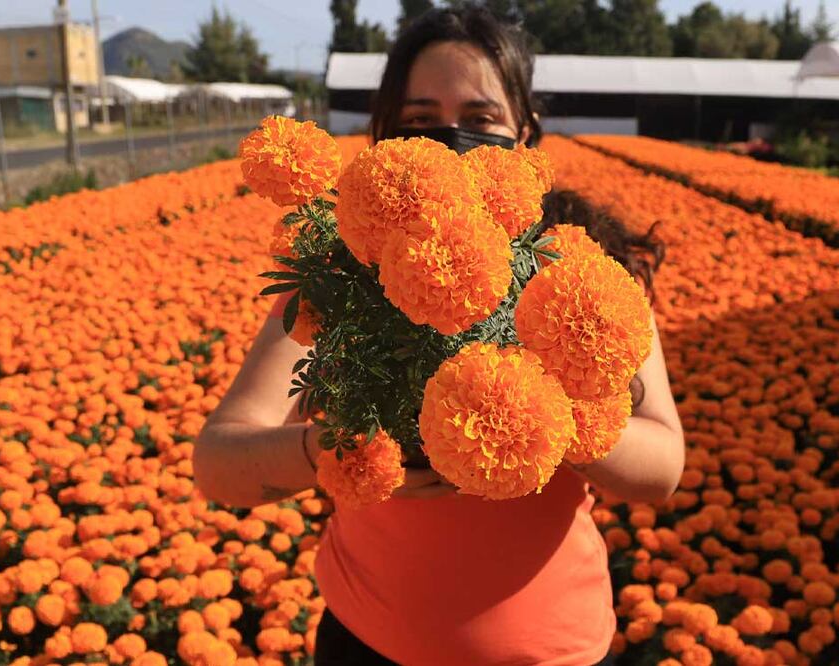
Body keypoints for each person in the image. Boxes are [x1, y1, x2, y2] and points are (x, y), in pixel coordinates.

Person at [192, 6, 685, 665]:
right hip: (368, 643)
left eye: (481, 120)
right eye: (422, 121)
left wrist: (538, 419)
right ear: (387, 133)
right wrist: (333, 453)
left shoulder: (586, 274)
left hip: (554, 651)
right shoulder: (339, 278)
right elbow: (218, 462)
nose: (453, 136)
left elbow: (663, 468)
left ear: (525, 131)